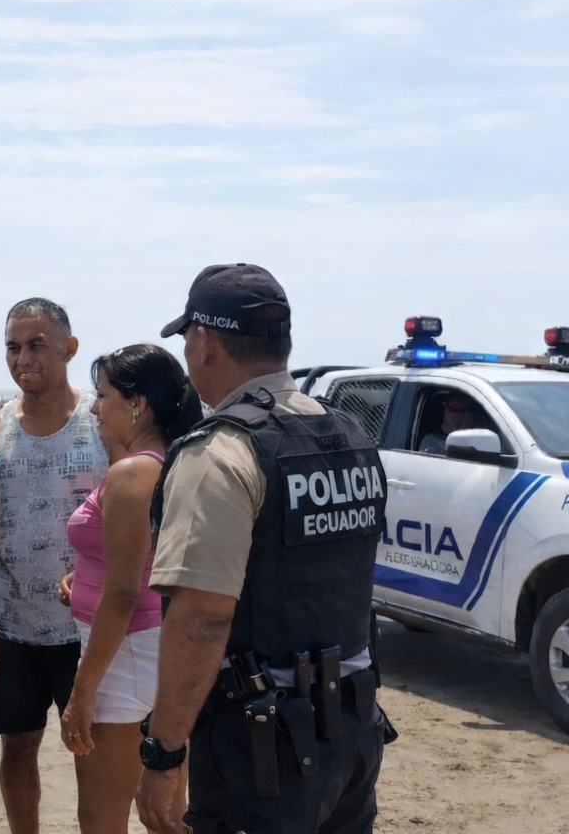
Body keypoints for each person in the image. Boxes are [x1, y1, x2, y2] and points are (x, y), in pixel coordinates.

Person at [136, 264, 389, 834]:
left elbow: (201, 621)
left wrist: (164, 753)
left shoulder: (220, 453)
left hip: (261, 749)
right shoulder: (350, 435)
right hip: (352, 730)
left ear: (202, 343)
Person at [0, 298, 108, 834]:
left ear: (69, 348)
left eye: (37, 345)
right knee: (17, 746)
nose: (23, 358)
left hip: (90, 629)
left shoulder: (101, 425)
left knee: (91, 746)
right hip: (12, 626)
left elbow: (132, 518)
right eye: (13, 347)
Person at [57, 345, 202, 834]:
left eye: (102, 396)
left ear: (137, 403)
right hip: (148, 644)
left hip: (124, 655)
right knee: (164, 814)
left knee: (101, 819)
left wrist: (82, 691)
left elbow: (121, 595)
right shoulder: (171, 460)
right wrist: (84, 577)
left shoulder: (135, 471)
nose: (95, 408)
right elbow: (144, 562)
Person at [418, 391, 484, 454]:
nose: (459, 415)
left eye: (465, 410)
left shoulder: (483, 439)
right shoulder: (432, 443)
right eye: (452, 409)